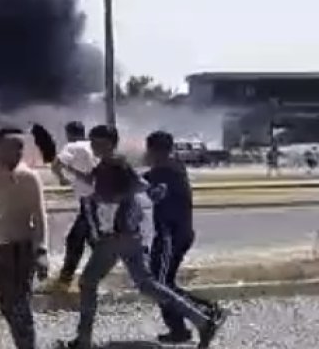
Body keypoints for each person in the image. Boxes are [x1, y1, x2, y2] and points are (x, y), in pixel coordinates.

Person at [58, 158, 226, 349]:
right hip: (131, 241)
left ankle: (83, 340)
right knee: (148, 285)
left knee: (89, 283)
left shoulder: (114, 194)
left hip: (115, 241)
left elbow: (109, 218)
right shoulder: (131, 190)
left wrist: (91, 205)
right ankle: (202, 321)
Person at [0, 127, 49, 349]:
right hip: (0, 247)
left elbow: (40, 215)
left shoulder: (29, 177)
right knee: (6, 303)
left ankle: (27, 344)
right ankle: (24, 342)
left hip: (22, 247)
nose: (18, 152)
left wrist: (42, 250)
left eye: (20, 147)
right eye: (12, 147)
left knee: (20, 302)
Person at [145, 131, 223, 344]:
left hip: (171, 235)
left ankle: (206, 313)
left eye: (149, 150)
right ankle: (182, 327)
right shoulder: (173, 167)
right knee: (164, 283)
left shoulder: (164, 170)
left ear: (155, 150)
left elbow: (141, 185)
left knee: (158, 284)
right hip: (176, 233)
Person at [50, 121, 96, 289]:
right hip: (98, 200)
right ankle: (66, 278)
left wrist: (62, 178)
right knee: (77, 239)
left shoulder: (72, 146)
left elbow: (56, 164)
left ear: (69, 133)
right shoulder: (93, 146)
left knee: (91, 241)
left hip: (89, 201)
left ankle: (75, 279)